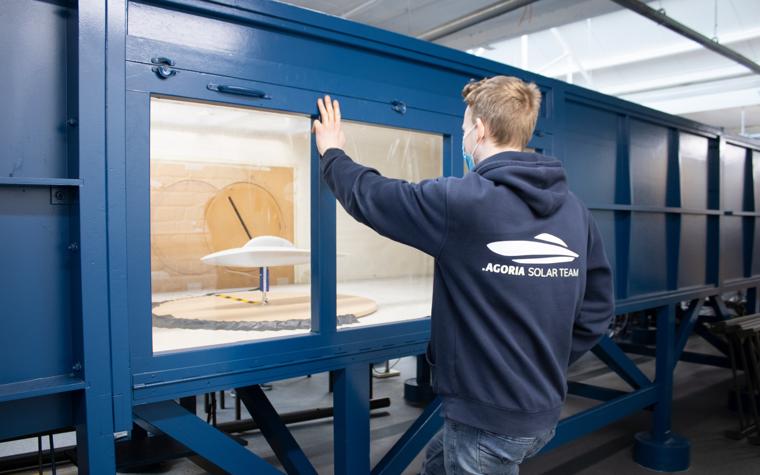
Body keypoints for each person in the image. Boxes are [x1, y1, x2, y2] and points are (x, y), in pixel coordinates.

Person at [312, 75, 614, 475]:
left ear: (481, 129)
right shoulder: (575, 211)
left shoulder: (463, 202)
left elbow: (375, 197)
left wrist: (332, 153)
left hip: (487, 422)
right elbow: (597, 313)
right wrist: (544, 360)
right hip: (541, 408)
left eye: (463, 130)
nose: (464, 140)